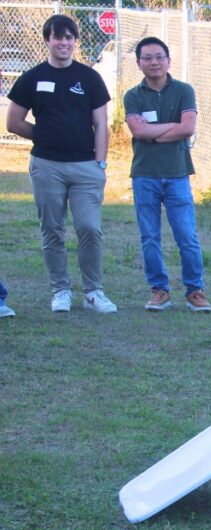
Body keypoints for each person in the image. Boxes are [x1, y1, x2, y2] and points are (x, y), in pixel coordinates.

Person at [5, 14, 116, 314]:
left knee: (89, 228)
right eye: (58, 37)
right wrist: (43, 136)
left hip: (86, 168)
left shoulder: (89, 77)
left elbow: (101, 124)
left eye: (69, 37)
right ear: (48, 40)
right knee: (52, 229)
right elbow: (13, 122)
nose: (64, 43)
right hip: (46, 165)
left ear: (74, 41)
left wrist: (100, 163)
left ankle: (93, 292)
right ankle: (60, 291)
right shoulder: (32, 77)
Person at [123, 36, 211, 313]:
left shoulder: (184, 90)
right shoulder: (133, 95)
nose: (154, 62)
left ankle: (195, 290)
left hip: (177, 174)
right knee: (149, 236)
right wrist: (169, 128)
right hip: (144, 175)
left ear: (168, 60)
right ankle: (159, 291)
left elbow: (188, 128)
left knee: (186, 235)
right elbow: (138, 132)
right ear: (139, 64)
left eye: (159, 56)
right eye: (147, 58)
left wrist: (155, 133)